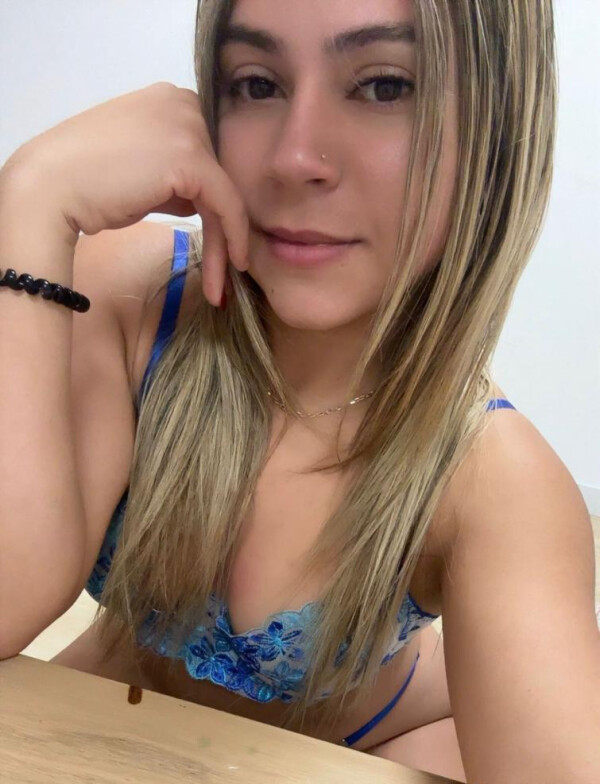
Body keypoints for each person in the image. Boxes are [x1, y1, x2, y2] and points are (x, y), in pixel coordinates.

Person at [1, 1, 598, 782]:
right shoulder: (125, 303)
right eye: (256, 83)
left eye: (384, 86)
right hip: (126, 705)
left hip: (380, 740)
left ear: (498, 128)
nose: (294, 158)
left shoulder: (496, 482)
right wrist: (32, 200)